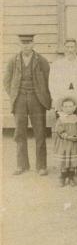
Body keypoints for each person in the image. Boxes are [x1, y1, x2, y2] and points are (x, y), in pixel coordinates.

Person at [3, 34, 51, 176]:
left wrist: (43, 96)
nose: (26, 46)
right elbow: (6, 81)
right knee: (19, 133)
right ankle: (21, 165)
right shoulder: (13, 61)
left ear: (33, 44)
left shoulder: (41, 60)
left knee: (40, 132)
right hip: (20, 100)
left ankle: (41, 166)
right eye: (23, 43)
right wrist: (14, 95)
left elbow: (48, 81)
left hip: (37, 100)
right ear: (19, 44)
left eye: (29, 43)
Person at [49, 38, 77, 106]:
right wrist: (56, 99)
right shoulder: (56, 64)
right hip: (62, 99)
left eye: (72, 47)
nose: (70, 50)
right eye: (67, 47)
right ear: (64, 48)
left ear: (76, 48)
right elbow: (51, 83)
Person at [53, 95, 77, 187]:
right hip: (64, 143)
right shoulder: (61, 118)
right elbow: (59, 130)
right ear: (62, 108)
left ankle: (71, 177)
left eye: (70, 106)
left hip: (74, 143)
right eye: (65, 106)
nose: (68, 108)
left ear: (75, 107)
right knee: (64, 161)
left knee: (72, 161)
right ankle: (62, 177)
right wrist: (67, 136)